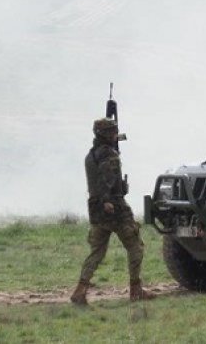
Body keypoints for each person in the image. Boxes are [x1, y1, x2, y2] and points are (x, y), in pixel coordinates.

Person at [69, 118, 154, 304]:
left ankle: (80, 290)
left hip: (96, 208)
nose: (116, 135)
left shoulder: (91, 155)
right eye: (113, 132)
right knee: (135, 246)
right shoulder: (109, 155)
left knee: (97, 251)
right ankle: (136, 289)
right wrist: (108, 199)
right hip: (114, 208)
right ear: (107, 134)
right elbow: (107, 179)